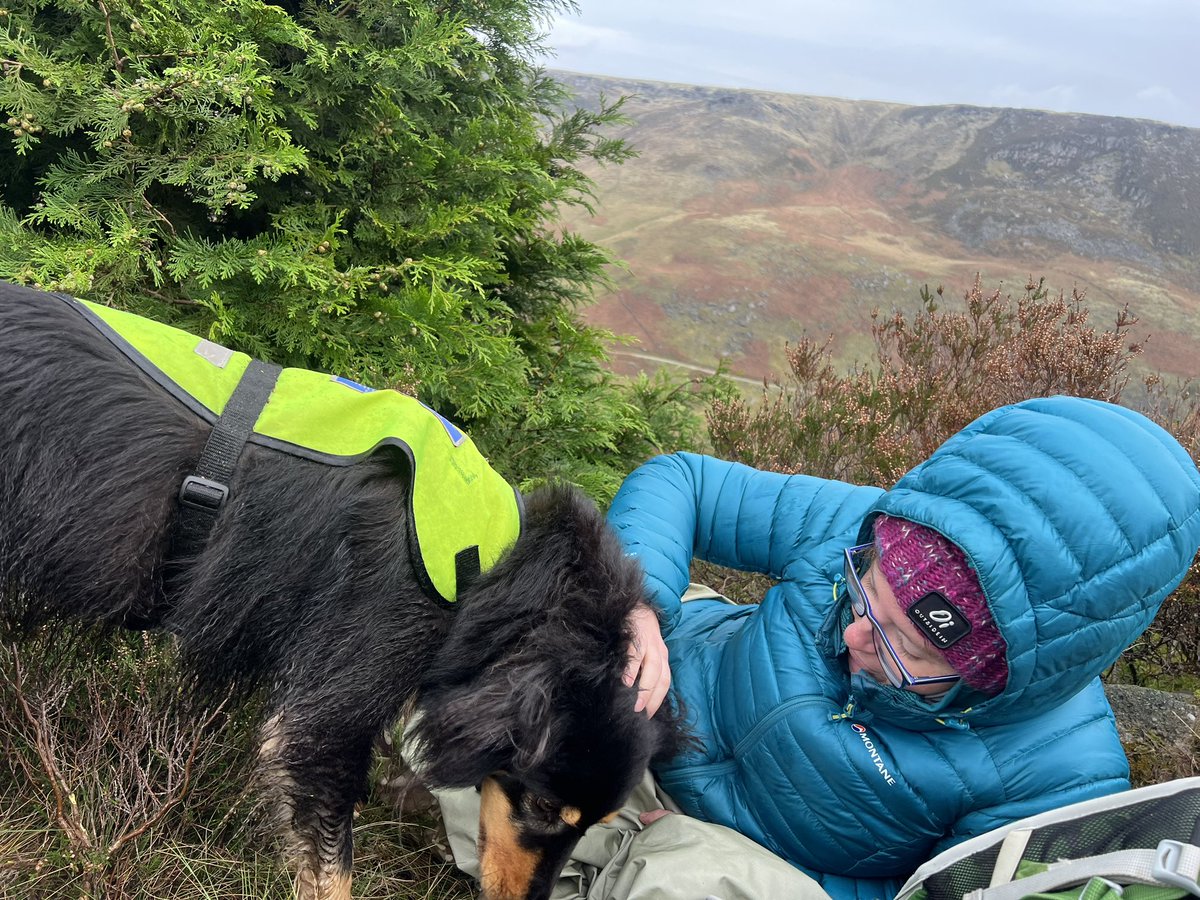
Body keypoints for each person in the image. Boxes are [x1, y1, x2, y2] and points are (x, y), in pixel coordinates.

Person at [436, 395, 1200, 900]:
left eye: (907, 648)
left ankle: (591, 853)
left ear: (998, 678)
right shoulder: (860, 522)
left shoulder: (1063, 773)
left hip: (743, 864)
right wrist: (636, 606)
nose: (857, 634)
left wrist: (735, 859)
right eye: (863, 591)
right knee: (470, 699)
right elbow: (683, 482)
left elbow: (923, 892)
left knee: (680, 884)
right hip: (648, 713)